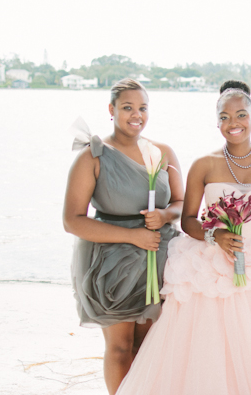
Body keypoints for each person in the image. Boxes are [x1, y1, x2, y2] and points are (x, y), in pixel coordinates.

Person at [116, 81, 251, 395]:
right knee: (208, 355)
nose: (234, 123)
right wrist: (214, 234)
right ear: (217, 121)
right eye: (225, 117)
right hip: (210, 273)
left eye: (241, 115)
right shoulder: (204, 164)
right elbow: (188, 219)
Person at [63, 78, 184, 395]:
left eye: (143, 108)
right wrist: (132, 238)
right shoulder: (94, 156)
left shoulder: (163, 152)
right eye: (128, 107)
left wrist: (165, 215)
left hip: (159, 258)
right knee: (120, 347)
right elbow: (72, 220)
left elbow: (181, 203)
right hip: (111, 264)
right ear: (111, 110)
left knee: (149, 346)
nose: (137, 115)